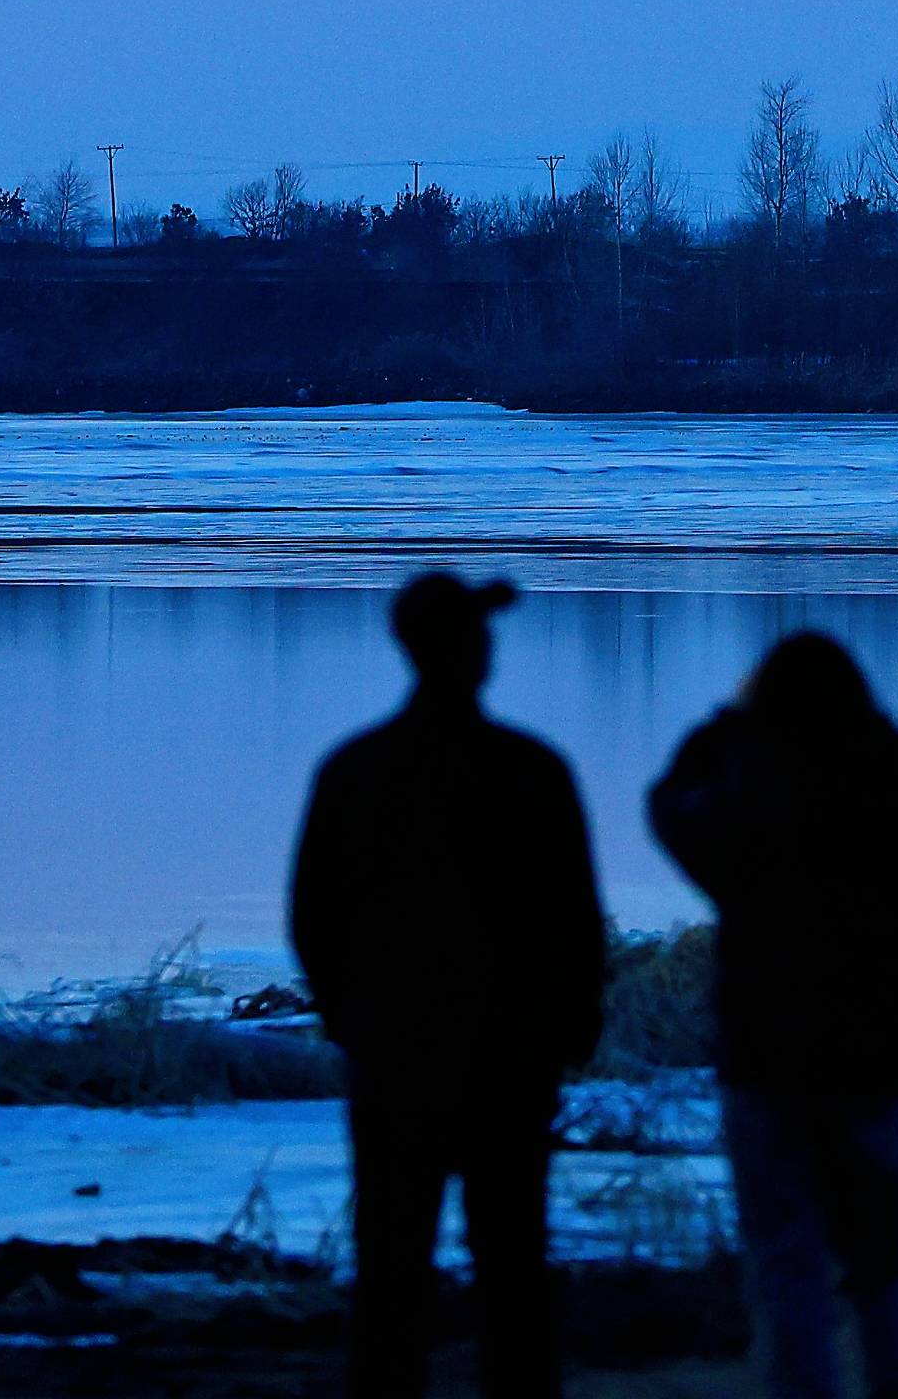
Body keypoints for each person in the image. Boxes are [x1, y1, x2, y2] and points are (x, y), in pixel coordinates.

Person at [289, 571, 609, 1399]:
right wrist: (569, 1032)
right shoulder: (531, 771)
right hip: (508, 1063)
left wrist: (350, 1018)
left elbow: (313, 918)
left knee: (391, 1278)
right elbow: (576, 922)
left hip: (395, 1060)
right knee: (513, 1279)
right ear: (473, 651)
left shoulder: (357, 771)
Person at [649, 631, 898, 1399]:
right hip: (873, 1060)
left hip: (766, 1060)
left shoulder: (746, 806)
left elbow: (669, 805)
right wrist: (884, 733)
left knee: (788, 1265)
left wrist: (725, 726)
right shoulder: (894, 803)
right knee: (882, 1267)